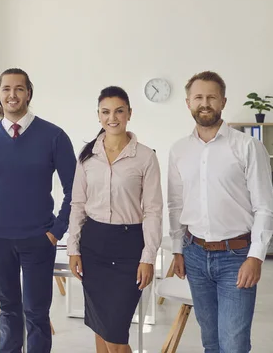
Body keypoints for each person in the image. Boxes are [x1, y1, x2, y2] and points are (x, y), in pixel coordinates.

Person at [0, 68, 76, 353]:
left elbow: (75, 190)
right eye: (6, 89)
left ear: (29, 93)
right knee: (9, 310)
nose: (12, 94)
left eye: (19, 88)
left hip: (39, 239)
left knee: (37, 314)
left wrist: (56, 232)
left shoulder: (54, 136)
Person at [168, 71, 273, 353]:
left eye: (211, 97)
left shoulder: (248, 147)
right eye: (198, 97)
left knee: (234, 344)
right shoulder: (179, 150)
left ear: (223, 102)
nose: (205, 103)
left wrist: (256, 256)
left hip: (236, 257)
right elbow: (176, 205)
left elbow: (265, 206)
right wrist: (177, 250)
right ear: (188, 103)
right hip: (194, 254)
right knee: (211, 342)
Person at [67, 86, 163, 353]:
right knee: (100, 326)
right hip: (93, 244)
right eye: (106, 112)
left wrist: (148, 257)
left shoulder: (145, 157)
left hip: (129, 246)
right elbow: (77, 206)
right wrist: (73, 250)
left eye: (119, 111)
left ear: (129, 113)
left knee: (116, 333)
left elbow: (153, 211)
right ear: (98, 116)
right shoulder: (87, 156)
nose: (113, 117)